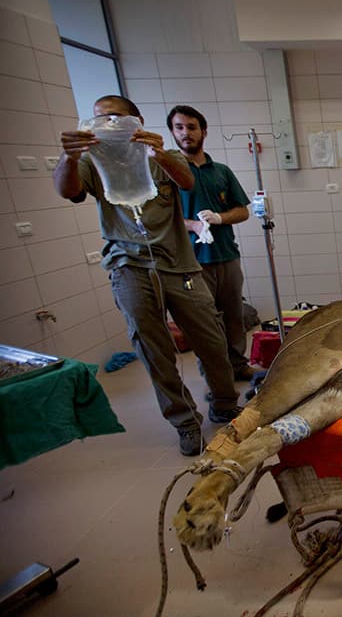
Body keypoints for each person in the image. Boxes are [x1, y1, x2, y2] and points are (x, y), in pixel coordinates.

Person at [53, 95, 241, 456]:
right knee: (154, 350)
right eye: (101, 119)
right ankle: (185, 422)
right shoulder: (92, 159)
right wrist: (70, 156)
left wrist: (160, 154)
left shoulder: (158, 157)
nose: (109, 125)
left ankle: (224, 402)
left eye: (117, 118)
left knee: (212, 338)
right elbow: (68, 190)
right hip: (129, 264)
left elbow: (187, 183)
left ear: (136, 121)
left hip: (179, 263)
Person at [167, 105, 262, 383]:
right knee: (205, 325)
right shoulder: (168, 175)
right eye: (179, 127)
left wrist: (219, 217)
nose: (186, 133)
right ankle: (216, 378)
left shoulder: (220, 171)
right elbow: (159, 218)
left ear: (203, 132)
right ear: (173, 132)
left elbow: (243, 210)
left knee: (234, 317)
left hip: (226, 256)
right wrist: (191, 224)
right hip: (191, 262)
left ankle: (238, 366)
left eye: (192, 127)